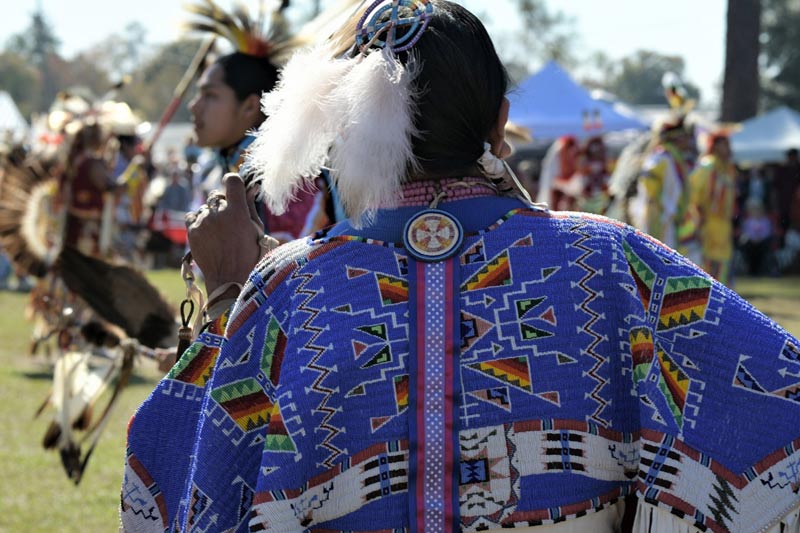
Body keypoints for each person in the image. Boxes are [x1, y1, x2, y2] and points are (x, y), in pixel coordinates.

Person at [121, 2, 800, 532]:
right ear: (501, 122)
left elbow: (175, 479)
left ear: (346, 127)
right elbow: (779, 398)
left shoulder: (289, 291)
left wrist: (228, 300)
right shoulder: (613, 265)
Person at [186, 1, 333, 243]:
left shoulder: (289, 181)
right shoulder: (223, 171)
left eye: (210, 95)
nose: (194, 105)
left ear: (250, 106)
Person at [679, 133, 737, 286]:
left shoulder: (727, 169)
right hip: (708, 228)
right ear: (715, 146)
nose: (728, 148)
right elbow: (693, 193)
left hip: (723, 228)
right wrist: (697, 219)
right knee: (708, 271)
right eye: (724, 144)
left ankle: (720, 304)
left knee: (722, 272)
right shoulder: (707, 166)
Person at [630, 116, 695, 248]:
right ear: (677, 138)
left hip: (667, 218)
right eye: (686, 137)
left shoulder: (673, 158)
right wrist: (660, 210)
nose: (689, 141)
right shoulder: (662, 157)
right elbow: (648, 184)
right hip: (658, 219)